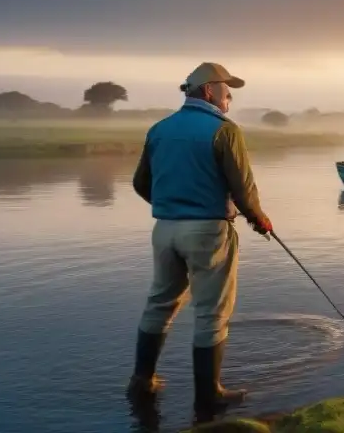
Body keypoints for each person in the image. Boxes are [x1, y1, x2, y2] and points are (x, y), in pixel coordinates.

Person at [126, 62, 273, 421]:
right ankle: (209, 397)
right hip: (207, 232)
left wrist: (172, 206)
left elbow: (140, 183)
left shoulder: (159, 129)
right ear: (208, 91)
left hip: (165, 230)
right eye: (226, 90)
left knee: (159, 303)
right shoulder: (225, 131)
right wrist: (259, 219)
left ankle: (141, 382)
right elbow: (243, 188)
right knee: (211, 312)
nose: (230, 97)